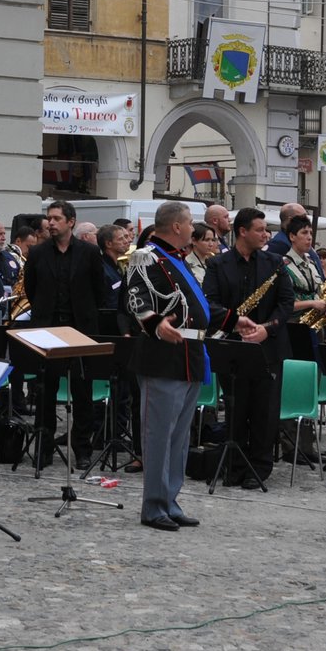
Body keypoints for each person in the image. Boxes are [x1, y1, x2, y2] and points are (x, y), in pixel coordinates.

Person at [128, 201, 228, 530]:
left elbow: (197, 305)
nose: (193, 229)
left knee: (179, 437)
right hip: (163, 354)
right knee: (158, 435)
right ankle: (154, 505)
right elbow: (136, 297)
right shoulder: (147, 256)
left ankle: (170, 499)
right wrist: (155, 323)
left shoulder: (177, 260)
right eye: (190, 224)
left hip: (189, 354)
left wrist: (236, 320)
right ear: (176, 227)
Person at [203, 207, 294, 487]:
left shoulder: (275, 262)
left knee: (265, 410)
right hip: (233, 346)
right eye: (260, 229)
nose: (266, 234)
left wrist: (266, 329)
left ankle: (260, 466)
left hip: (268, 346)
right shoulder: (219, 264)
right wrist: (235, 323)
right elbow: (211, 303)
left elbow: (286, 303)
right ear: (242, 232)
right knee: (235, 407)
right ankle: (236, 465)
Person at [24, 200, 107, 471]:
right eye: (49, 218)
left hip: (80, 329)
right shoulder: (37, 253)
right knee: (45, 391)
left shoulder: (90, 252)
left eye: (57, 218)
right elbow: (31, 288)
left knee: (82, 392)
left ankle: (82, 449)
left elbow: (99, 289)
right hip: (48, 329)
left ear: (70, 222)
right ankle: (44, 449)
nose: (51, 222)